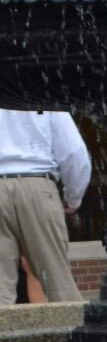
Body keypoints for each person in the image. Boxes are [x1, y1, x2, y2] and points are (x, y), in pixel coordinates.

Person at [0, 109, 92, 306]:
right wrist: (73, 197)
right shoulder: (41, 95)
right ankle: (69, 333)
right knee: (57, 284)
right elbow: (74, 154)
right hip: (38, 184)